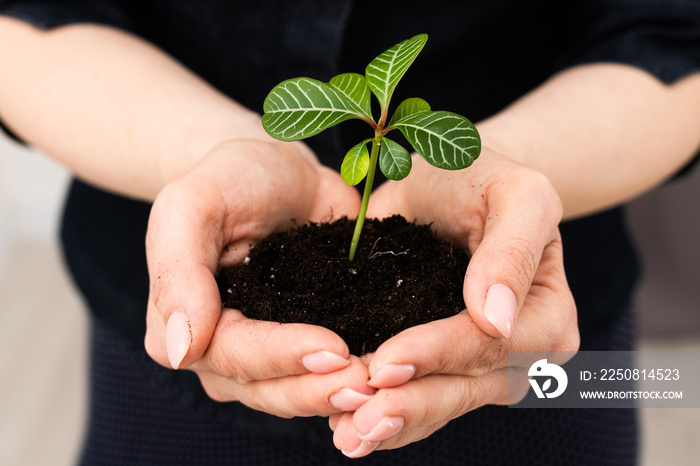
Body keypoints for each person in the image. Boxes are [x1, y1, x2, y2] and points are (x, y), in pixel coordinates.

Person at [0, 0, 699, 464]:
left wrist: (508, 178)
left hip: (540, 340)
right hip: (177, 320)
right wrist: (210, 150)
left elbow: (674, 34)